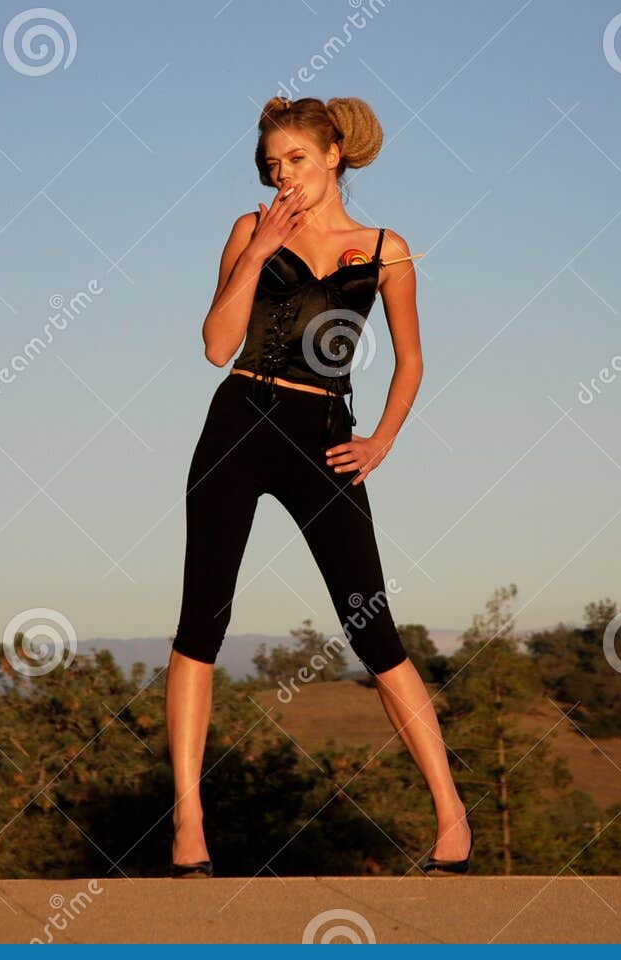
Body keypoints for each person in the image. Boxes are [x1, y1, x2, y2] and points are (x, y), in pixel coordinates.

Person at [167, 96, 472, 877]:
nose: (282, 174)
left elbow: (411, 360)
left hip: (324, 437)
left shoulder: (385, 249)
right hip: (236, 421)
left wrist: (382, 441)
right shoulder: (249, 229)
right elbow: (212, 344)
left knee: (373, 629)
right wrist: (260, 244)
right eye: (272, 165)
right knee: (201, 622)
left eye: (295, 159)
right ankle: (190, 827)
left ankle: (451, 817)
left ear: (333, 154)